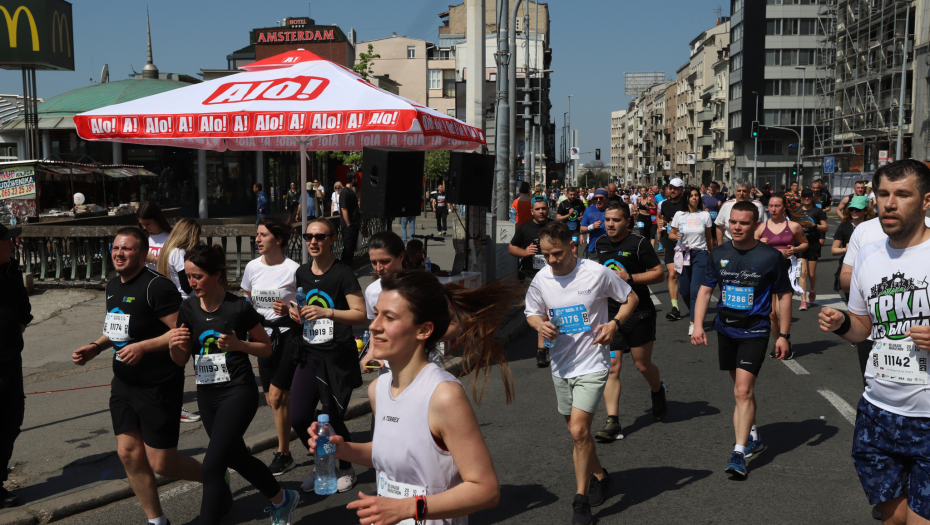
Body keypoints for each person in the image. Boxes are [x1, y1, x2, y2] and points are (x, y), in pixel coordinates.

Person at [308, 270, 514, 525]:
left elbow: (486, 490)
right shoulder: (379, 388)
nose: (373, 325)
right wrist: (341, 449)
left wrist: (409, 508)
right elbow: (392, 454)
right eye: (376, 313)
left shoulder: (443, 395)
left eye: (389, 317)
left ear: (424, 330)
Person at [818, 159, 930, 525]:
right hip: (878, 412)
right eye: (883, 194)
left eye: (902, 195)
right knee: (893, 519)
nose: (889, 203)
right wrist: (841, 323)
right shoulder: (868, 253)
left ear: (926, 201)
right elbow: (864, 328)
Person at [71, 227, 203, 525]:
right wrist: (96, 347)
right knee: (128, 453)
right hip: (124, 384)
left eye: (127, 249)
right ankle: (157, 520)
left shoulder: (157, 287)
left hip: (158, 386)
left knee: (163, 463)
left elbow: (183, 333)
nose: (119, 253)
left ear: (143, 255)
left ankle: (214, 477)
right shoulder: (113, 285)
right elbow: (118, 327)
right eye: (115, 248)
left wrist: (143, 347)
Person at [169, 244, 300, 524]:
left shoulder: (238, 306)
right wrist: (176, 346)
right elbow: (180, 360)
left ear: (217, 275)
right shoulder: (188, 307)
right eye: (188, 276)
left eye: (198, 276)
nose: (191, 283)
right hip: (207, 393)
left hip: (237, 392)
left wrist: (240, 344)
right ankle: (282, 498)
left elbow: (266, 348)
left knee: (212, 466)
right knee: (236, 457)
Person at [525, 220, 639, 524]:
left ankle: (581, 501)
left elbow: (630, 299)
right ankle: (601, 476)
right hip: (561, 364)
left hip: (593, 362)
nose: (552, 260)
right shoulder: (541, 279)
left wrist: (614, 324)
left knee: (578, 431)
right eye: (547, 255)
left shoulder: (596, 273)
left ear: (572, 247)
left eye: (558, 254)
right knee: (579, 434)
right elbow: (531, 312)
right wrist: (540, 324)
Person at [691, 201, 793, 479]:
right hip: (725, 329)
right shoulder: (719, 253)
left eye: (744, 223)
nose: (736, 227)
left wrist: (783, 335)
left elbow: (784, 295)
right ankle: (754, 433)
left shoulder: (770, 257)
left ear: (756, 225)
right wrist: (698, 325)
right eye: (733, 222)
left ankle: (738, 453)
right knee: (740, 388)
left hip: (755, 330)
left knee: (741, 391)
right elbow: (704, 290)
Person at [288, 219, 368, 493]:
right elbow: (305, 310)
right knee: (298, 417)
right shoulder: (301, 273)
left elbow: (361, 314)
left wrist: (327, 312)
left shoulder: (343, 273)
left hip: (337, 357)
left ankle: (346, 467)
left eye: (320, 237)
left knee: (331, 418)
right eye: (308, 236)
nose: (313, 241)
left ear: (333, 240)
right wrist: (294, 313)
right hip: (309, 353)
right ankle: (322, 463)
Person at [592, 203, 667, 443]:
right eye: (607, 220)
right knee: (612, 367)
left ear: (627, 222)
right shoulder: (600, 243)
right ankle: (612, 421)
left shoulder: (639, 244)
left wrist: (630, 277)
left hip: (639, 311)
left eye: (616, 220)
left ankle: (658, 390)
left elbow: (659, 273)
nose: (610, 224)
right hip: (611, 315)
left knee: (642, 365)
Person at [241, 216, 301, 476]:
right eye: (257, 235)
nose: (257, 239)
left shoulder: (294, 269)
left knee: (277, 395)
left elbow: (305, 305)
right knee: (272, 400)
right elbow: (246, 297)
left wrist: (289, 309)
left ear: (278, 239)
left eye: (263, 235)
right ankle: (294, 443)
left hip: (287, 333)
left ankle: (284, 453)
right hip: (261, 336)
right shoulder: (252, 267)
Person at [0, 224, 31, 508]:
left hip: (11, 361)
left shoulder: (11, 269)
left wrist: (19, 324)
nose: (11, 244)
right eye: (7, 240)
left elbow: (24, 307)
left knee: (11, 421)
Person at [756, 193, 807, 360]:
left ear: (784, 207)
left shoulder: (793, 226)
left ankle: (784, 339)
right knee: (771, 313)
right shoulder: (762, 227)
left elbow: (805, 243)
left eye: (777, 206)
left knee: (779, 311)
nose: (773, 209)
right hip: (766, 271)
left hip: (785, 269)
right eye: (770, 206)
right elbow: (749, 247)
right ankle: (778, 342)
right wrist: (759, 244)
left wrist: (795, 250)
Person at [830, 195, 874, 377]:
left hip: (870, 275)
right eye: (852, 210)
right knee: (854, 306)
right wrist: (847, 250)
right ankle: (858, 331)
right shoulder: (845, 227)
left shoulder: (873, 229)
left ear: (866, 211)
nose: (854, 213)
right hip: (849, 274)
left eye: (858, 210)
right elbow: (833, 250)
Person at [509, 195, 553, 367]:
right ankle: (543, 347)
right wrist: (525, 252)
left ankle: (542, 350)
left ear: (548, 209)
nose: (541, 212)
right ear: (532, 211)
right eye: (538, 209)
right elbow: (512, 248)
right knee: (537, 313)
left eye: (544, 208)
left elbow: (567, 245)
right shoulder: (524, 227)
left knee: (547, 313)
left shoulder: (555, 226)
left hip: (553, 275)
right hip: (531, 276)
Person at [360, 231, 408, 372]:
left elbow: (453, 327)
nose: (378, 268)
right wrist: (371, 353)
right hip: (387, 367)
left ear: (401, 256)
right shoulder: (372, 291)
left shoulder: (420, 286)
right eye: (374, 262)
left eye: (385, 261)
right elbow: (375, 328)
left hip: (420, 367)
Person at [670, 187, 715, 335]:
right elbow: (671, 234)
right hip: (683, 253)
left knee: (695, 289)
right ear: (687, 198)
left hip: (700, 254)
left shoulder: (705, 215)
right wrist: (675, 237)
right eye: (691, 196)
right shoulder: (679, 214)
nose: (694, 198)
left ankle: (694, 322)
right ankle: (696, 312)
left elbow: (709, 237)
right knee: (684, 290)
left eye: (696, 195)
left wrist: (712, 254)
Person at [657, 179, 686, 321]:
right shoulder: (665, 205)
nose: (672, 190)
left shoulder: (686, 204)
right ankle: (675, 308)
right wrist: (660, 225)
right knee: (672, 273)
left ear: (681, 189)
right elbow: (661, 219)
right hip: (669, 243)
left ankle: (692, 302)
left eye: (676, 188)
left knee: (686, 278)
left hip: (686, 244)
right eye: (671, 188)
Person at [796, 188, 829, 311]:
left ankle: (813, 289)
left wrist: (814, 225)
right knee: (802, 273)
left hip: (813, 244)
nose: (806, 198)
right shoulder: (796, 211)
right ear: (801, 197)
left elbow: (825, 228)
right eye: (804, 196)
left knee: (811, 273)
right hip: (800, 244)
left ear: (812, 197)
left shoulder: (817, 211)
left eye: (808, 196)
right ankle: (803, 301)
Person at [156, 218, 201, 301]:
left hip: (175, 297)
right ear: (189, 235)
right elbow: (187, 287)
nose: (198, 240)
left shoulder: (168, 250)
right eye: (197, 235)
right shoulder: (179, 253)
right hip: (187, 300)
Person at [714, 179, 765, 246]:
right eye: (739, 191)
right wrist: (720, 247)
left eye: (744, 191)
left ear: (749, 192)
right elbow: (719, 226)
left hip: (752, 244)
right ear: (735, 192)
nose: (741, 193)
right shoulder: (726, 205)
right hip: (729, 242)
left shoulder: (758, 206)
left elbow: (764, 226)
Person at [137, 201, 172, 272]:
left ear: (158, 219)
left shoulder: (172, 237)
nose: (144, 227)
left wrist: (155, 260)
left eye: (148, 223)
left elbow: (180, 265)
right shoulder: (141, 237)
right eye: (141, 224)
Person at [580, 188, 609, 260]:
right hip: (594, 249)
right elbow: (582, 229)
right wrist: (591, 227)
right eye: (596, 198)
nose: (598, 200)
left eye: (601, 198)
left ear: (607, 198)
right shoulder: (589, 210)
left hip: (610, 247)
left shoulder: (612, 210)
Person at [340, 173, 360, 265]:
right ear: (353, 179)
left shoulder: (351, 192)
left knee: (351, 249)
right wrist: (348, 224)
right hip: (349, 226)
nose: (357, 180)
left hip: (354, 224)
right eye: (356, 178)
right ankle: (344, 270)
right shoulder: (345, 192)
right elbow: (344, 209)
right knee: (348, 249)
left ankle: (349, 269)